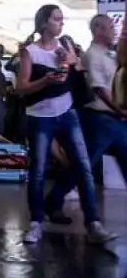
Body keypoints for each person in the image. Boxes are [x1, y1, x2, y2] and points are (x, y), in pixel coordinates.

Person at [16, 4, 114, 245]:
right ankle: (36, 222)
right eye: (56, 19)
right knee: (38, 170)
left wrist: (73, 61)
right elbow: (21, 87)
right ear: (43, 23)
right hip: (40, 116)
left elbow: (81, 74)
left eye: (62, 19)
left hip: (67, 113)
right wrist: (46, 80)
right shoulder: (30, 51)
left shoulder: (65, 46)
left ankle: (93, 223)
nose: (61, 23)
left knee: (83, 166)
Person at [46, 14, 127, 216]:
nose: (113, 31)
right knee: (81, 167)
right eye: (110, 27)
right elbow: (100, 89)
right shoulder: (92, 56)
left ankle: (53, 201)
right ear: (98, 30)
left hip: (114, 121)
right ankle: (53, 202)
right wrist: (121, 109)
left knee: (83, 166)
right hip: (101, 120)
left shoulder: (110, 56)